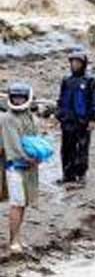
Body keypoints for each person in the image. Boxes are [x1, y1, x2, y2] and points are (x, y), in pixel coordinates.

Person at [0, 82, 40, 254]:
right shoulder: (8, 118)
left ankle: (17, 237)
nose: (17, 101)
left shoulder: (28, 115)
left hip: (28, 166)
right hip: (15, 166)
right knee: (17, 203)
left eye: (20, 97)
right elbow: (14, 145)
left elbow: (33, 139)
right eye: (14, 97)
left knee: (23, 203)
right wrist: (27, 158)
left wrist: (38, 155)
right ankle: (13, 240)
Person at [56, 50, 95, 186]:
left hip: (83, 121)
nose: (75, 65)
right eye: (73, 62)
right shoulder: (66, 80)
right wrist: (59, 115)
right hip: (67, 120)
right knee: (67, 149)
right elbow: (61, 99)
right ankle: (67, 175)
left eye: (78, 62)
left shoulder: (90, 81)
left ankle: (81, 174)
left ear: (83, 64)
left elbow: (94, 101)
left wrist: (92, 119)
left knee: (82, 149)